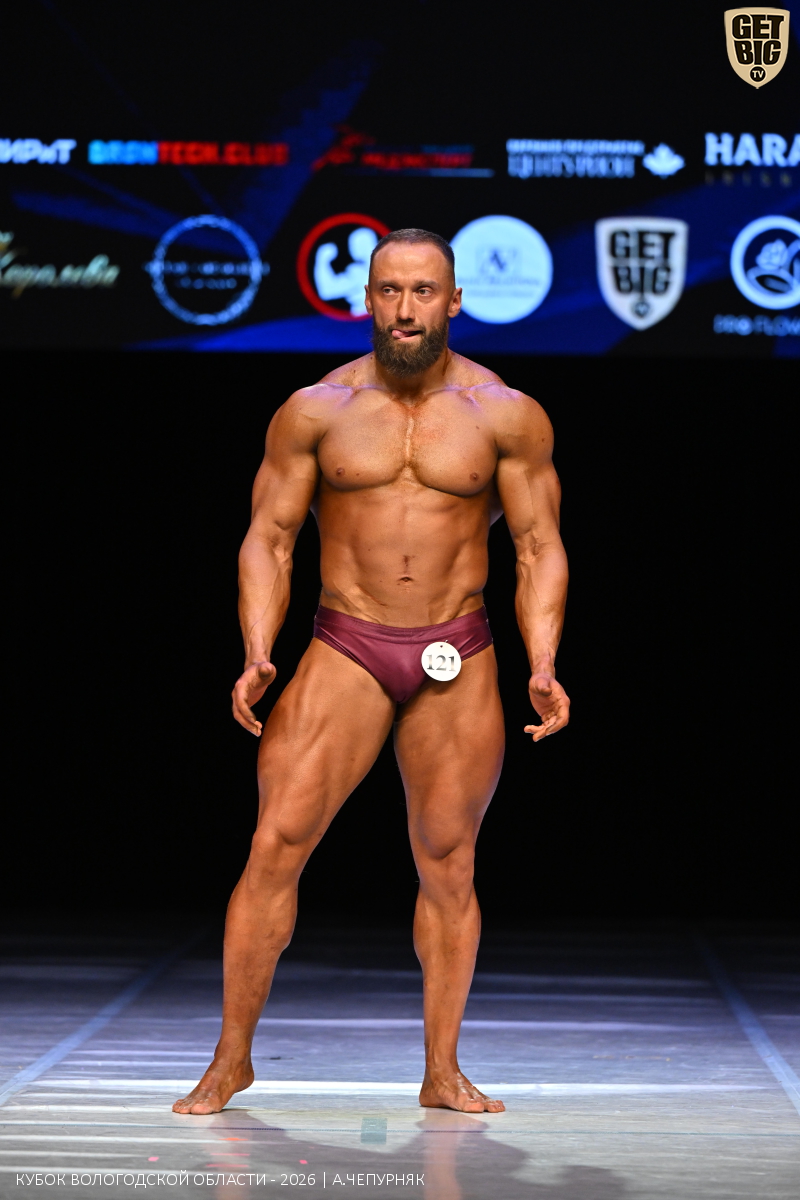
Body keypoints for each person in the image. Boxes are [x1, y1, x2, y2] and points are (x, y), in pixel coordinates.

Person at [173, 228, 570, 1117]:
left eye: (423, 291)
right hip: (347, 642)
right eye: (390, 290)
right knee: (274, 846)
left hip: (457, 649)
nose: (405, 309)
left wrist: (543, 660)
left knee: (449, 863)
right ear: (367, 298)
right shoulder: (316, 410)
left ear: (454, 300)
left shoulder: (505, 414)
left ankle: (442, 1071)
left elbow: (538, 546)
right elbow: (270, 539)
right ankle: (230, 1060)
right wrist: (256, 648)